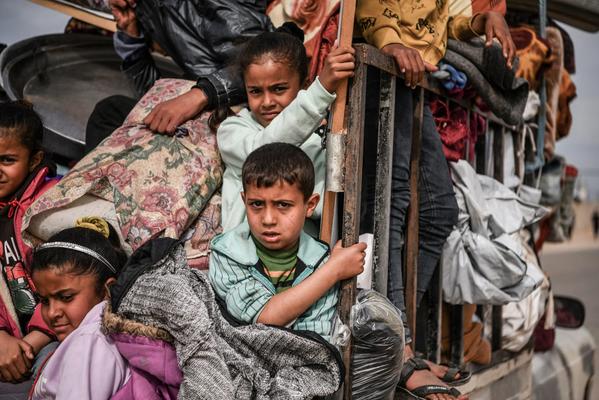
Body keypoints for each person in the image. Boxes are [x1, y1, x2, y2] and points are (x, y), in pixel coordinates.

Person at [355, 1, 516, 399]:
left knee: (437, 210)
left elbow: (447, 21)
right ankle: (397, 349)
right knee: (385, 209)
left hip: (411, 79)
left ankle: (400, 340)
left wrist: (482, 20)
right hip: (378, 69)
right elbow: (363, 9)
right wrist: (390, 44)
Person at [209, 143, 366, 340]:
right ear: (244, 200)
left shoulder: (319, 261)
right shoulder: (228, 253)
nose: (268, 219)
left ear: (310, 206)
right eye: (256, 204)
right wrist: (334, 271)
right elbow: (264, 317)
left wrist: (329, 268)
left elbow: (315, 337)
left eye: (283, 205)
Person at [217, 24, 355, 234]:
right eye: (255, 91)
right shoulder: (233, 130)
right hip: (246, 256)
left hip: (303, 255)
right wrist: (321, 92)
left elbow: (321, 205)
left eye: (278, 89)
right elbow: (265, 154)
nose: (267, 102)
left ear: (303, 86)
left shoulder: (321, 135)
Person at [85, 0, 273, 152]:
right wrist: (131, 34)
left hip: (241, 120)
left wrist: (200, 95)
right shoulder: (153, 8)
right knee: (111, 111)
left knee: (109, 113)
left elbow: (263, 65)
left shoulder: (217, 7)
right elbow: (151, 94)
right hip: (210, 105)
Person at [29, 224, 129, 399]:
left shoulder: (89, 340)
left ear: (108, 290)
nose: (52, 313)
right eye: (44, 301)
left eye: (66, 297)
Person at [0, 101, 58, 387]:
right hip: (6, 342)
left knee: (53, 376)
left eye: (7, 160)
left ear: (34, 160)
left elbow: (74, 282)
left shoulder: (51, 205)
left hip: (53, 334)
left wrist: (29, 344)